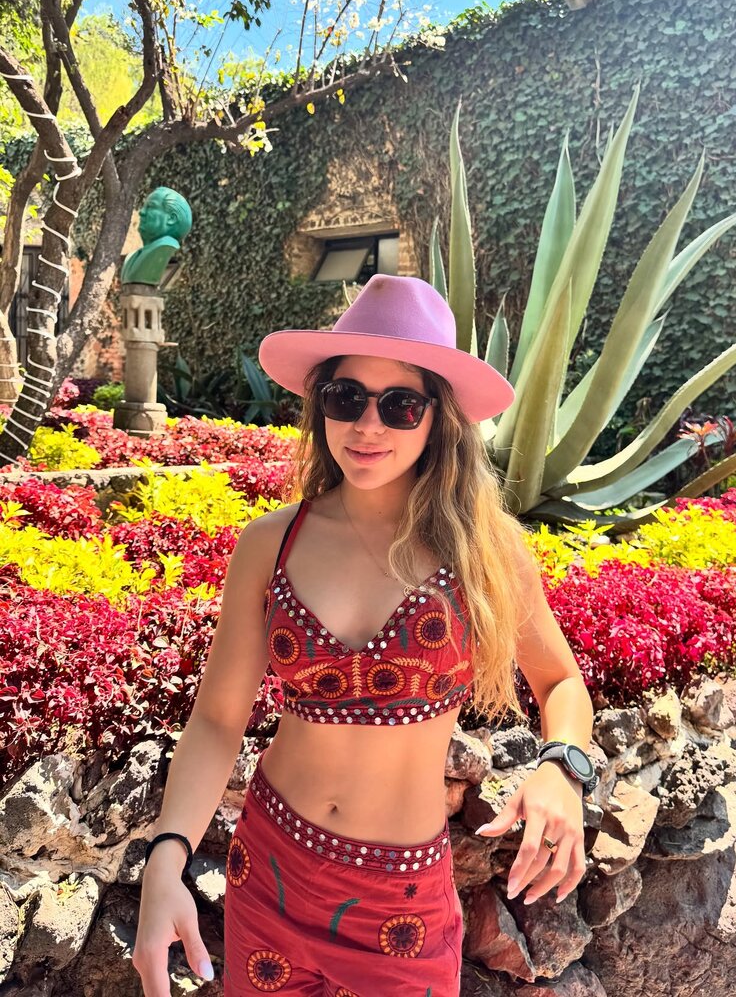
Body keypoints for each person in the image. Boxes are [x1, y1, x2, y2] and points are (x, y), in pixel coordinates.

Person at [133, 274, 596, 997]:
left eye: (399, 404)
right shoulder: (270, 544)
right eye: (345, 398)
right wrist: (167, 854)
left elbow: (560, 681)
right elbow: (219, 719)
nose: (367, 426)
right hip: (270, 866)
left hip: (401, 903)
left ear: (439, 419)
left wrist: (563, 767)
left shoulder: (486, 550)